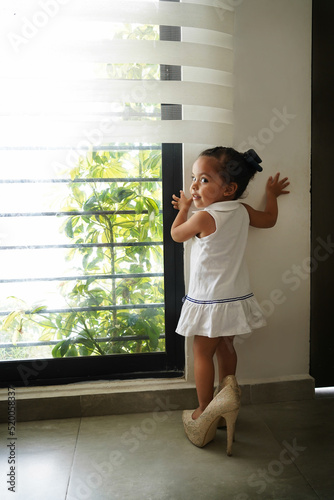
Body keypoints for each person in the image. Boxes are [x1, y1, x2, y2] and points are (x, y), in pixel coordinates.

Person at [171, 147, 289, 453]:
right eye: (194, 178)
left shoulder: (203, 217)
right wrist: (272, 195)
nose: (195, 186)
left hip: (208, 300)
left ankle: (204, 410)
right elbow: (270, 220)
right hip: (235, 297)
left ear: (228, 188)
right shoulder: (243, 211)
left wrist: (184, 208)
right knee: (226, 346)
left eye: (204, 179)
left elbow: (176, 235)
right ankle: (227, 402)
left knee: (200, 352)